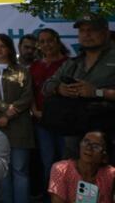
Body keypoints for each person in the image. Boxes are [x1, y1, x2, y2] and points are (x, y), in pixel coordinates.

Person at [43, 13, 115, 156]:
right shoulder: (73, 62)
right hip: (75, 135)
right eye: (82, 31)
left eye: (92, 30)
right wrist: (60, 89)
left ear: (105, 32)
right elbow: (46, 86)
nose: (86, 34)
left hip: (110, 135)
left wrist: (97, 92)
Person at [0, 34, 34, 203]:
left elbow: (27, 97)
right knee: (1, 170)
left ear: (10, 49)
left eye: (3, 46)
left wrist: (10, 114)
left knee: (20, 169)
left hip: (19, 125)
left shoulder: (22, 70)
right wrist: (4, 108)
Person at [30, 28, 69, 201]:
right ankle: (50, 198)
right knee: (48, 163)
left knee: (65, 161)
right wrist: (34, 110)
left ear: (57, 41)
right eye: (42, 41)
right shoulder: (35, 66)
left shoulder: (69, 63)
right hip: (42, 121)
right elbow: (30, 92)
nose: (47, 45)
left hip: (65, 122)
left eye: (50, 40)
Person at [48, 131, 115, 203]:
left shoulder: (111, 174)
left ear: (105, 156)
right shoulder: (62, 169)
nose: (89, 147)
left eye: (96, 146)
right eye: (86, 142)